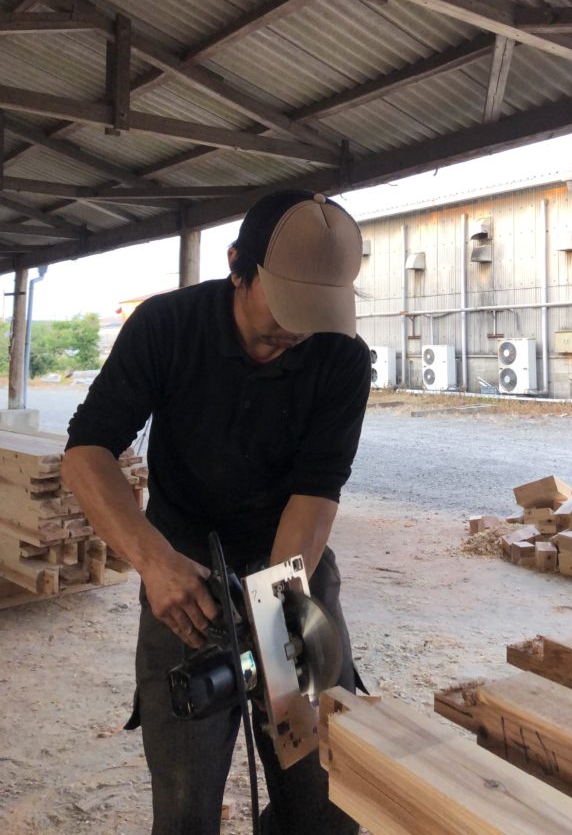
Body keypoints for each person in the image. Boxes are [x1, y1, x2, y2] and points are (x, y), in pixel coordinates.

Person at [62, 189, 371, 835]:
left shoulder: (341, 357)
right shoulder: (167, 326)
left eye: (314, 314)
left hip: (291, 566)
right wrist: (154, 564)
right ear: (238, 266)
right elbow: (87, 455)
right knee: (185, 799)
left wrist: (278, 608)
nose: (297, 331)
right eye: (285, 307)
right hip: (183, 573)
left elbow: (316, 494)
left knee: (321, 790)